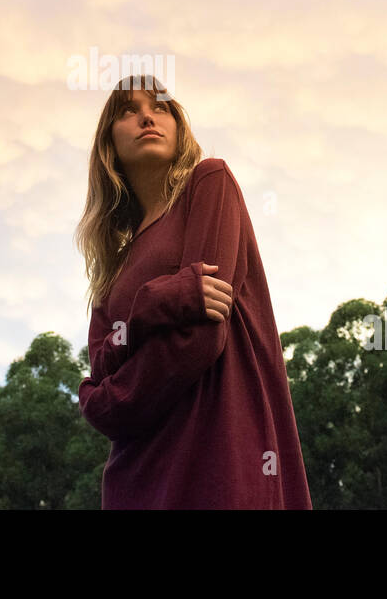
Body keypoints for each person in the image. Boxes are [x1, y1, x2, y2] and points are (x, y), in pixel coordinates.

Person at [74, 74, 312, 508]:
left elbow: (201, 338)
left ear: (179, 127)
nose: (147, 115)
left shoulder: (209, 182)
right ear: (109, 143)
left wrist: (106, 396)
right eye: (128, 110)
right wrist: (156, 306)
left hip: (217, 463)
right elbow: (103, 362)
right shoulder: (113, 268)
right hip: (133, 483)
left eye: (160, 106)